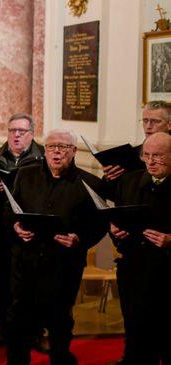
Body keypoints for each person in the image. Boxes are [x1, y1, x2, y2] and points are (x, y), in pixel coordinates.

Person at [6, 129, 107, 365]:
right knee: (19, 320)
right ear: (45, 151)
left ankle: (59, 359)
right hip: (26, 262)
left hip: (63, 265)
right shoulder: (25, 175)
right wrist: (16, 226)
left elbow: (101, 223)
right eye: (51, 147)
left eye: (63, 147)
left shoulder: (90, 183)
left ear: (73, 151)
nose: (57, 152)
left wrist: (80, 238)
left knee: (59, 320)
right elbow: (9, 210)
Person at [0, 113, 44, 348]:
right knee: (1, 283)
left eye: (22, 131)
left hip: (32, 232)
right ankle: (4, 329)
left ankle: (35, 331)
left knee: (32, 284)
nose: (16, 135)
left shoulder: (44, 157)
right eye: (12, 130)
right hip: (0, 231)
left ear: (32, 134)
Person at [107, 133, 171, 364]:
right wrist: (115, 231)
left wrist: (170, 240)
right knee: (135, 331)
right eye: (147, 155)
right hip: (134, 270)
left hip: (167, 273)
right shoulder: (129, 181)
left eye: (159, 156)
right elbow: (118, 220)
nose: (151, 161)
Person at [104, 100, 171, 181]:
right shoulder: (131, 154)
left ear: (169, 125)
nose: (148, 126)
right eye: (145, 121)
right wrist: (109, 178)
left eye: (155, 121)